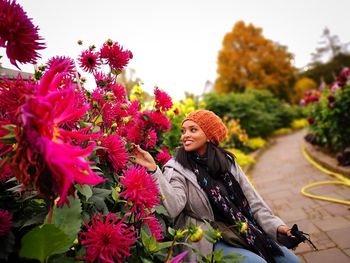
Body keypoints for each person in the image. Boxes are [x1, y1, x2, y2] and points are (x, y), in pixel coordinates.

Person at [131, 109, 301, 263]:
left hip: (244, 229)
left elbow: (254, 203)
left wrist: (279, 228)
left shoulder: (228, 162)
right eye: (183, 131)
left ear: (209, 135)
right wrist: (154, 170)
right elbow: (172, 207)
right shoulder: (177, 168)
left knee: (291, 261)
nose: (185, 135)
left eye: (193, 130)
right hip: (208, 239)